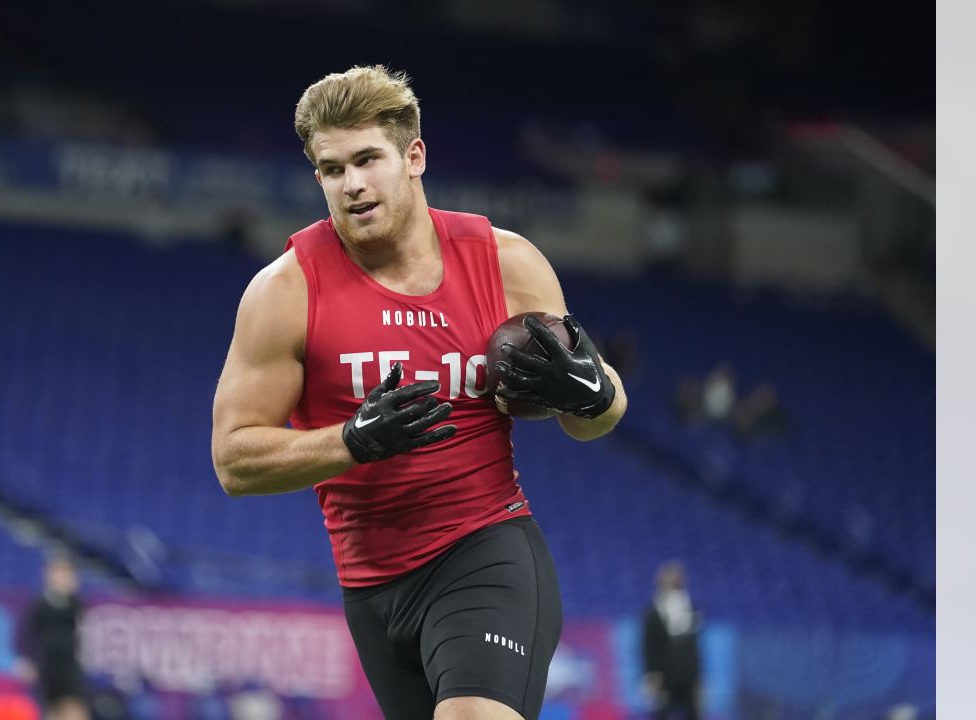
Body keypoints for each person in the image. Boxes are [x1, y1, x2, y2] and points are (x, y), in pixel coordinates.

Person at [210, 65, 628, 720]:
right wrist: (351, 441)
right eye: (331, 168)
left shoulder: (506, 263)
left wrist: (594, 393)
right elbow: (234, 462)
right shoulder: (284, 291)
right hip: (371, 589)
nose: (351, 184)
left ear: (413, 157)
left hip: (485, 552)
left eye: (367, 159)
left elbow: (593, 418)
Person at [17, 556, 90, 720]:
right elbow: (26, 634)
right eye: (58, 572)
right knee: (51, 710)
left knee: (75, 708)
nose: (62, 577)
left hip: (69, 665)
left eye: (66, 573)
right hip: (47, 665)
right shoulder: (39, 604)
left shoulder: (75, 603)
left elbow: (81, 628)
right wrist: (27, 660)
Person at [640, 562, 702, 720]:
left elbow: (693, 646)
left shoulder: (690, 607)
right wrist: (651, 675)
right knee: (662, 714)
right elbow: (648, 646)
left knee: (693, 713)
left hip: (687, 675)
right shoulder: (652, 612)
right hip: (663, 676)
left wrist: (698, 676)